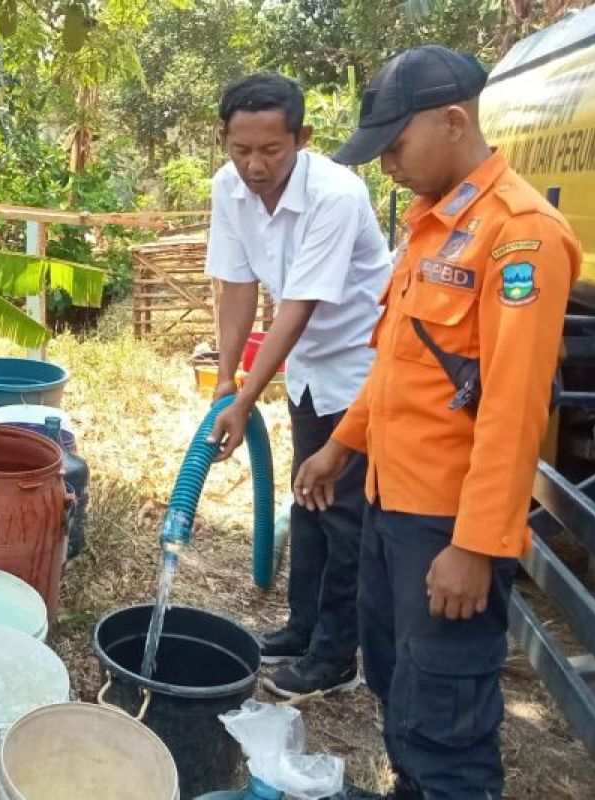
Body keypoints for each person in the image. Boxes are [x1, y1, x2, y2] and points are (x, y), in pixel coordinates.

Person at [296, 46, 580, 800]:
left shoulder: (521, 236)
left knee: (446, 714)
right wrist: (337, 448)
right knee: (394, 678)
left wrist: (476, 546)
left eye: (395, 144)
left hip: (448, 525)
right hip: (391, 500)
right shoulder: (430, 225)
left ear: (454, 121)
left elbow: (515, 411)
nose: (386, 163)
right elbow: (399, 365)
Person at [204, 73, 391, 698]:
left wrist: (249, 396)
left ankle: (337, 655)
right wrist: (227, 379)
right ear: (225, 141)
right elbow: (237, 287)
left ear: (303, 139)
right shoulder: (228, 189)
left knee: (345, 516)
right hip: (308, 369)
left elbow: (300, 304)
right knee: (309, 501)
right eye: (241, 150)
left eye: (271, 151)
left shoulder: (336, 194)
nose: (254, 166)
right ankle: (302, 626)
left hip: (361, 367)